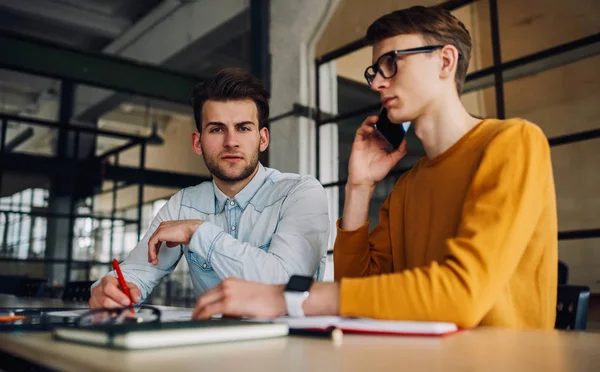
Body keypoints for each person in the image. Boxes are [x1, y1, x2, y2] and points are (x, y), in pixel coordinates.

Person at [191, 6, 558, 329]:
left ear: (446, 61)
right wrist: (358, 188)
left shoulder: (513, 142)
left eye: (392, 64)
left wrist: (290, 297)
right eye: (375, 71)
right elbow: (356, 285)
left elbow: (463, 293)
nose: (379, 82)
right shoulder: (409, 186)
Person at [90, 68, 330, 309]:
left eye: (244, 128)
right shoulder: (182, 205)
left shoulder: (301, 193)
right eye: (217, 129)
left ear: (263, 139)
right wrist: (111, 288)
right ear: (197, 142)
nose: (231, 142)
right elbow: (136, 273)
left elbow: (288, 286)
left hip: (291, 344)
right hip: (210, 343)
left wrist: (199, 233)